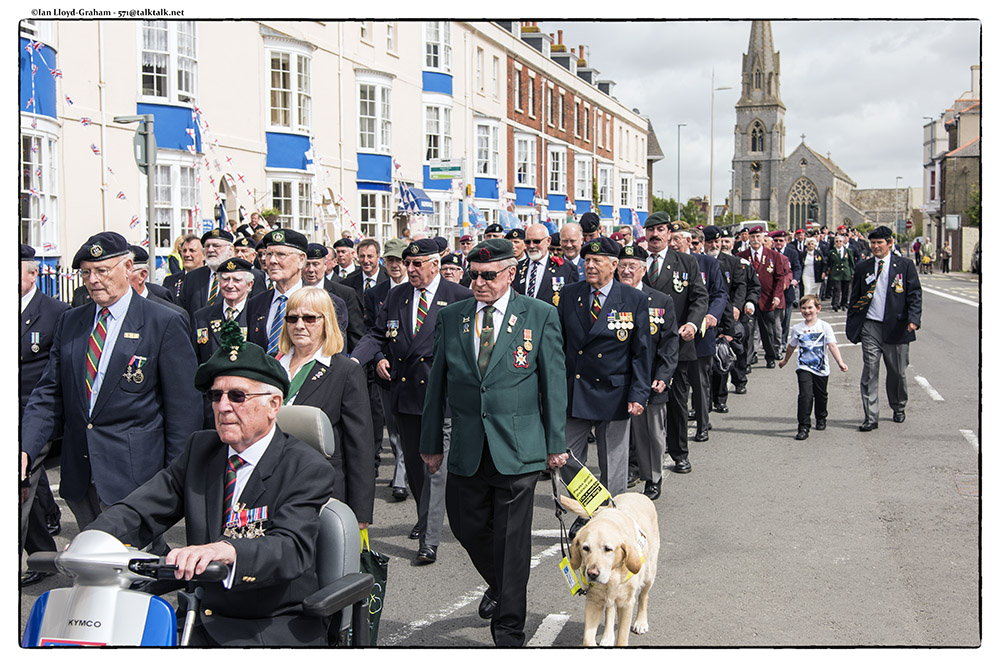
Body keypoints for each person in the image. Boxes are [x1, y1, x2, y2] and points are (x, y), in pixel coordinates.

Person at [87, 333, 336, 646]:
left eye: (237, 396)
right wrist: (93, 539)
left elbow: (290, 548)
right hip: (198, 614)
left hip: (267, 626)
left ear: (273, 405)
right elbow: (142, 508)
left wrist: (226, 550)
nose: (223, 406)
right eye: (216, 396)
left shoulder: (305, 467)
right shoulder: (201, 450)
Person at [419, 238, 568, 647]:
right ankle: (503, 585)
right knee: (466, 527)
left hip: (518, 449)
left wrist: (556, 443)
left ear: (510, 274)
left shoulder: (539, 315)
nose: (479, 283)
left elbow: (554, 385)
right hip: (469, 446)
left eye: (488, 276)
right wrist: (430, 442)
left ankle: (508, 629)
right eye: (473, 275)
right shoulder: (453, 317)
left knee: (511, 542)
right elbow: (437, 387)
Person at [20, 232, 203, 548]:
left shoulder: (163, 321)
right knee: (94, 566)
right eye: (86, 272)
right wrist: (25, 449)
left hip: (134, 479)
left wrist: (173, 483)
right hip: (81, 476)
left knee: (132, 573)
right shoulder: (72, 321)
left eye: (102, 270)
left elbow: (183, 411)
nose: (93, 280)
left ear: (129, 267)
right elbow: (49, 393)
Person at [352, 239, 473, 564]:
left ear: (436, 264)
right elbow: (379, 333)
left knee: (435, 470)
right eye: (409, 264)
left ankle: (429, 540)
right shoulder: (397, 295)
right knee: (417, 472)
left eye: (418, 264)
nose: (411, 270)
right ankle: (424, 518)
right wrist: (355, 361)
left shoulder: (458, 296)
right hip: (405, 397)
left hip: (441, 400)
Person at [558, 236, 650, 499]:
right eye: (587, 261)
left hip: (614, 392)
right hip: (575, 388)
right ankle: (593, 507)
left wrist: (638, 393)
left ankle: (612, 517)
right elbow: (559, 343)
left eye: (597, 261)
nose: (590, 266)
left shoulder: (633, 299)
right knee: (565, 454)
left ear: (614, 266)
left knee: (613, 463)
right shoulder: (569, 294)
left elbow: (641, 351)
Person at [277, 287, 375, 529]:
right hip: (274, 484)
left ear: (326, 322)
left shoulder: (344, 370)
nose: (299, 325)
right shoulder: (272, 366)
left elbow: (359, 444)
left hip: (321, 488)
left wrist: (360, 511)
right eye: (292, 318)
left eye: (309, 318)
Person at [642, 211, 708, 473]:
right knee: (641, 402)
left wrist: (692, 323)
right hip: (642, 347)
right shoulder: (636, 262)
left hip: (677, 345)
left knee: (677, 401)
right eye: (650, 230)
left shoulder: (686, 262)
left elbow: (699, 298)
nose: (655, 235)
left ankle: (679, 452)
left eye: (660, 230)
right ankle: (638, 460)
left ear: (669, 234)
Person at [19, 244, 70, 586]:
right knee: (28, 484)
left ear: (32, 274)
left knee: (19, 482)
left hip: (32, 414)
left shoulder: (55, 312)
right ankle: (42, 554)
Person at [617, 244, 678, 500]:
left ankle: (653, 478)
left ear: (643, 270)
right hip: (618, 378)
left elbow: (669, 342)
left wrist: (663, 376)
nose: (627, 271)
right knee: (618, 434)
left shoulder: (661, 301)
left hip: (650, 380)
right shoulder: (611, 298)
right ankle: (620, 477)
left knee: (651, 433)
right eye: (622, 266)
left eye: (632, 267)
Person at [846, 226, 922, 431]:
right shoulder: (863, 267)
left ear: (890, 243)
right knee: (870, 369)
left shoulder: (905, 266)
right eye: (873, 243)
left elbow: (914, 294)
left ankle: (898, 406)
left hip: (897, 326)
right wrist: (853, 321)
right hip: (871, 326)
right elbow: (855, 298)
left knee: (897, 371)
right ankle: (871, 416)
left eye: (880, 243)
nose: (876, 247)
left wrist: (913, 318)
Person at [245, 229, 348, 357]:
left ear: (301, 260)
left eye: (281, 254)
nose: (272, 260)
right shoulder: (255, 303)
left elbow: (335, 357)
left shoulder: (329, 303)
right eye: (269, 254)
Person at [361, 238, 410, 501]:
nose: (396, 265)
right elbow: (372, 331)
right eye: (391, 260)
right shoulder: (375, 293)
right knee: (392, 425)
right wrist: (378, 357)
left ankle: (405, 472)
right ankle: (402, 468)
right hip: (386, 370)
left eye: (401, 260)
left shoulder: (416, 289)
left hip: (414, 370)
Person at [778, 294, 849, 440]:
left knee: (821, 395)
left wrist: (840, 362)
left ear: (818, 309)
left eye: (810, 307)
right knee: (805, 395)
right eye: (803, 308)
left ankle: (821, 417)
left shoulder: (825, 327)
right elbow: (791, 346)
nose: (806, 311)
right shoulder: (797, 328)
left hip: (821, 368)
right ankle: (803, 427)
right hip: (804, 367)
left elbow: (832, 345)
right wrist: (785, 360)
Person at [703, 226, 747, 414]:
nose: (714, 245)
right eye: (710, 242)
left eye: (717, 242)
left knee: (721, 360)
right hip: (703, 316)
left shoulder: (731, 262)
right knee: (703, 365)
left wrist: (737, 306)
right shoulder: (697, 262)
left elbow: (739, 287)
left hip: (724, 315)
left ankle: (720, 399)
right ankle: (702, 403)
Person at [737, 225, 790, 369]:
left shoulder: (774, 256)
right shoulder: (741, 256)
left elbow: (779, 278)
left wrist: (777, 296)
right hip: (749, 301)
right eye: (752, 237)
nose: (755, 240)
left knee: (768, 331)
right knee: (748, 332)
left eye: (758, 237)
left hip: (767, 300)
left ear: (763, 238)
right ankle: (747, 361)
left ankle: (770, 356)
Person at [302, 243, 364, 351]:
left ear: (325, 265)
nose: (311, 269)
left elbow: (355, 335)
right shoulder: (294, 292)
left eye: (316, 264)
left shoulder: (345, 294)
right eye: (307, 264)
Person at [513, 223, 577, 306]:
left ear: (548, 241)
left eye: (536, 241)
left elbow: (571, 305)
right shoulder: (517, 268)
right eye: (528, 242)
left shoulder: (567, 269)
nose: (531, 246)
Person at [163, 234, 204, 298]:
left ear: (204, 255)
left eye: (192, 250)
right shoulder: (170, 282)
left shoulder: (210, 282)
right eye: (184, 251)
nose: (187, 254)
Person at [827, 234, 856, 312]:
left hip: (845, 272)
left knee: (845, 289)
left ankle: (844, 303)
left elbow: (851, 263)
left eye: (840, 241)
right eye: (837, 241)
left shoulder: (848, 251)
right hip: (836, 273)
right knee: (836, 289)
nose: (839, 243)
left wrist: (852, 272)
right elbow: (829, 263)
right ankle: (835, 304)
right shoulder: (832, 252)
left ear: (843, 242)